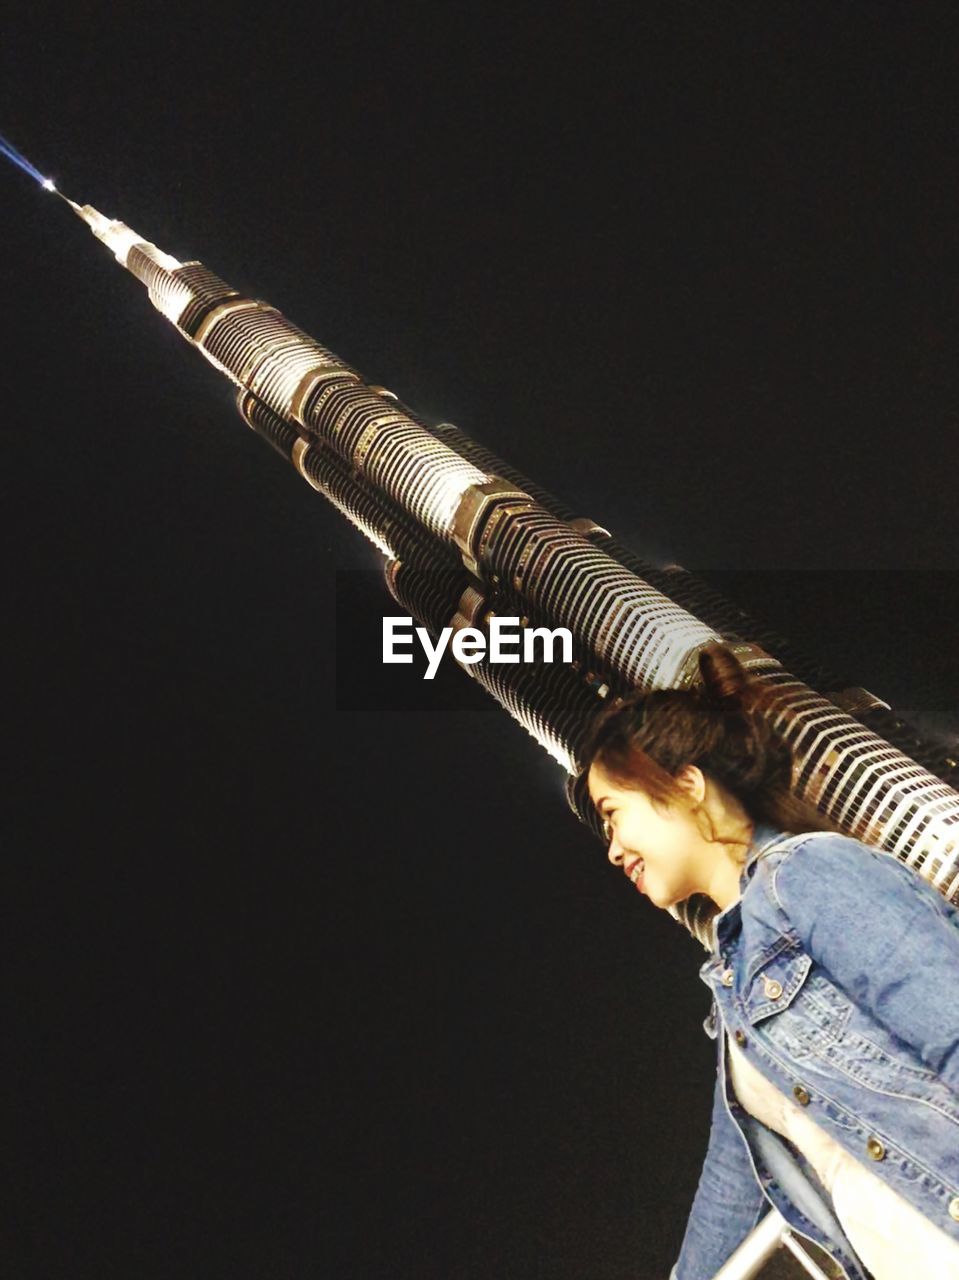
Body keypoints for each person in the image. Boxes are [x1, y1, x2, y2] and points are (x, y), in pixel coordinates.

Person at [579, 644, 959, 1280]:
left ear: (687, 784)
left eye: (613, 815)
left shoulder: (808, 874)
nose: (613, 850)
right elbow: (729, 1193)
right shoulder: (735, 993)